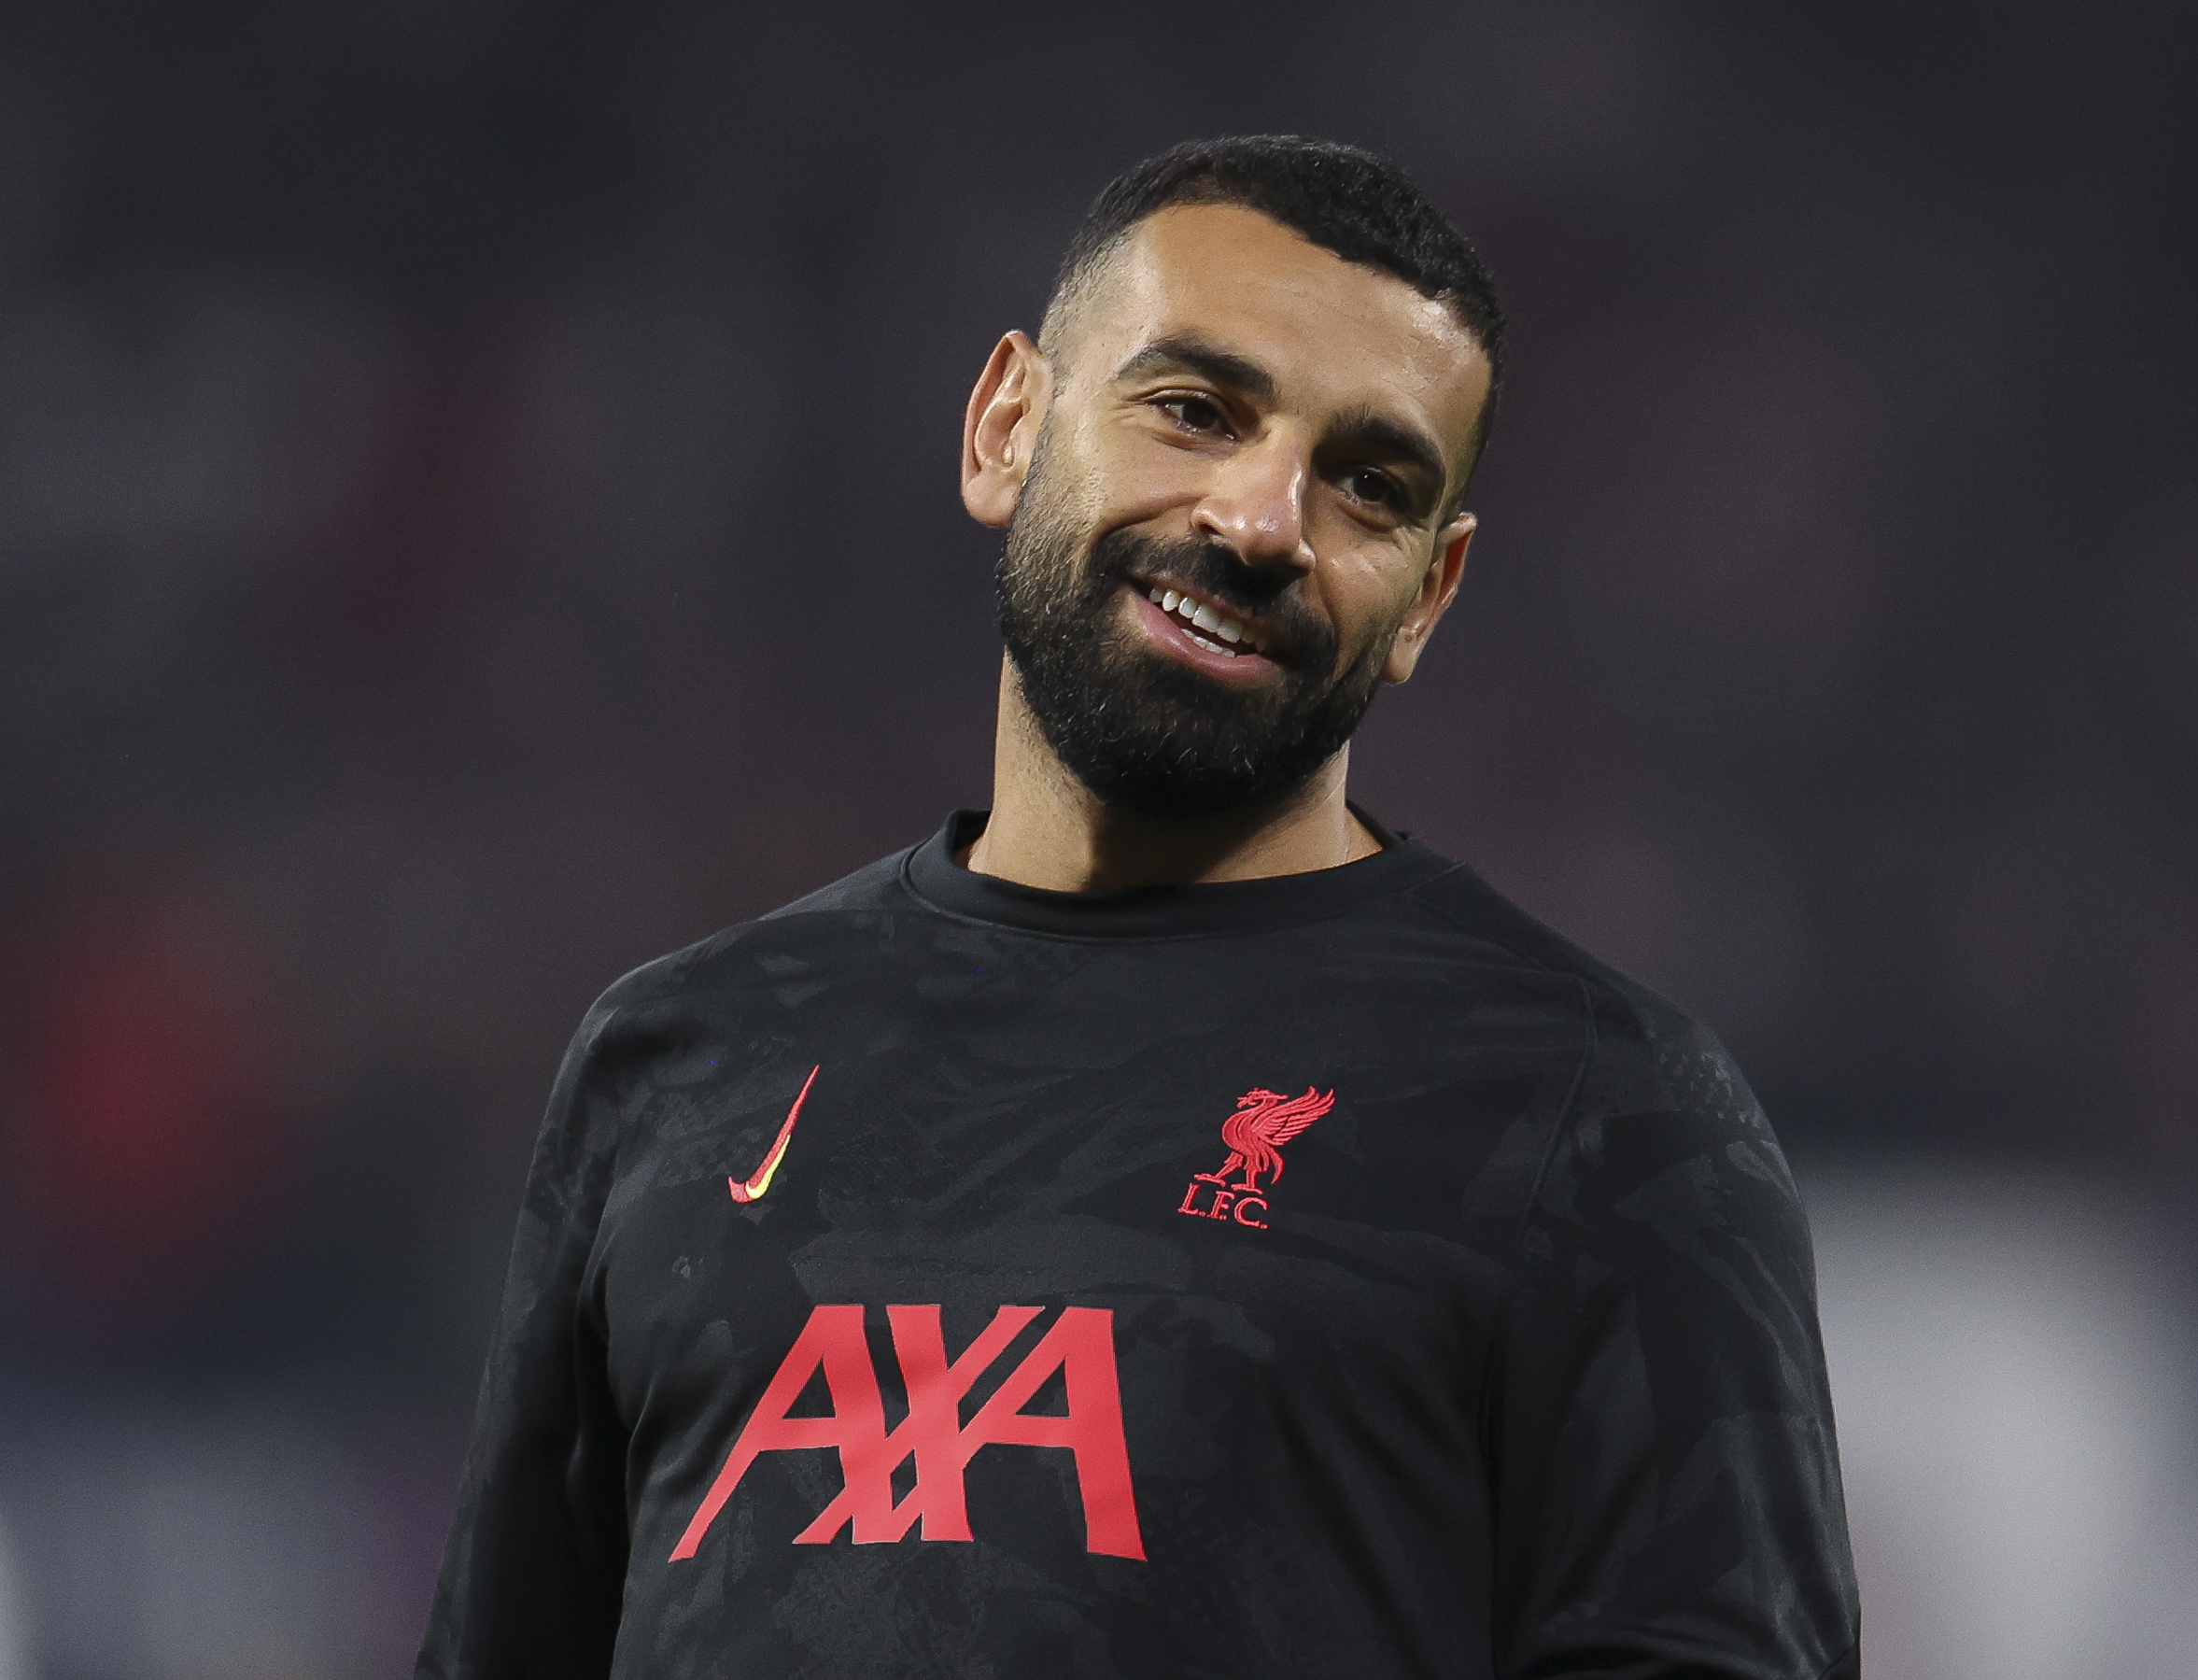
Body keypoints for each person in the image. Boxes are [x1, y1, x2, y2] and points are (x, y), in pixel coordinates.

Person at [417, 134, 1860, 1680]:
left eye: (1366, 485)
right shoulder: (675, 1060)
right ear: (1006, 427)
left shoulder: (1599, 1116)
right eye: (1194, 410)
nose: (1261, 519)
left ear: (1426, 600)